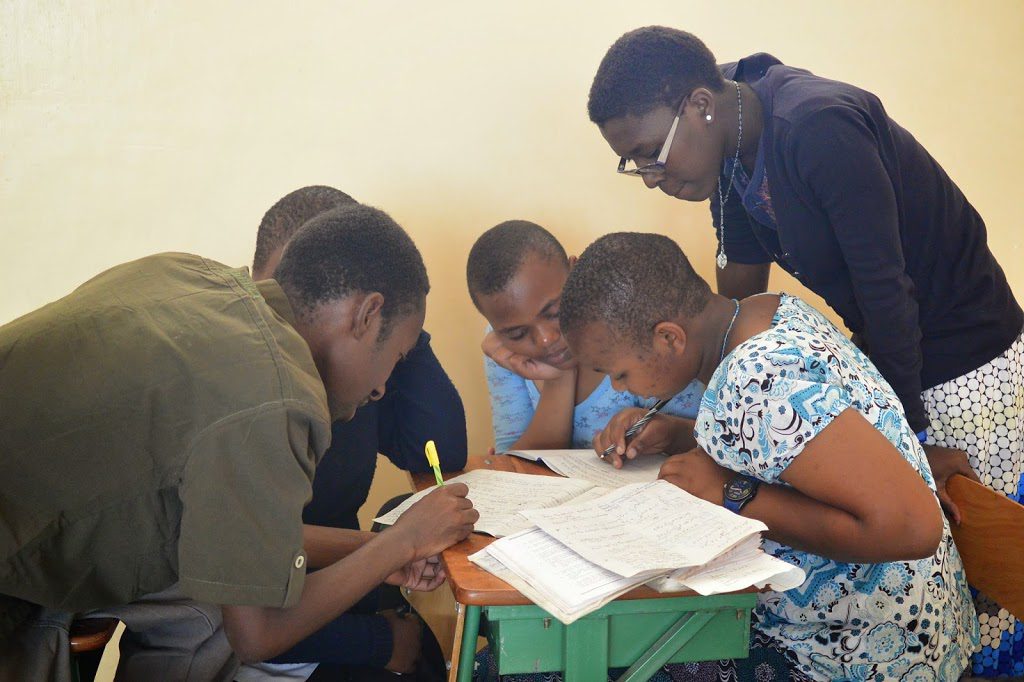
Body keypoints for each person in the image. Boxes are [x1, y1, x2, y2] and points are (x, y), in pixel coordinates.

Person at [587, 30, 1022, 675]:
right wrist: (703, 417)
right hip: (890, 353)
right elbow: (735, 292)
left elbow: (888, 295)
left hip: (963, 360)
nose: (652, 178)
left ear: (699, 105)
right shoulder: (729, 137)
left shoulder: (818, 129)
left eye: (652, 154)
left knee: (983, 578)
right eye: (635, 165)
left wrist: (909, 436)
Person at [0, 205, 479, 682]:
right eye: (396, 356)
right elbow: (257, 635)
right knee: (216, 617)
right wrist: (403, 541)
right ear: (368, 314)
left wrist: (377, 549)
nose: (380, 389)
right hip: (16, 582)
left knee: (206, 601)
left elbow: (238, 545)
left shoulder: (194, 278)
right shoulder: (278, 396)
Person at [555, 231, 979, 681]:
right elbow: (795, 445)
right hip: (924, 633)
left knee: (591, 661)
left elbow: (912, 528)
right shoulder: (765, 311)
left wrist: (729, 492)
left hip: (860, 656)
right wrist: (682, 436)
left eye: (618, 373)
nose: (618, 388)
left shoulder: (754, 376)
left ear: (669, 338)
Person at [245, 186, 467, 680]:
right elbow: (247, 616)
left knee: (439, 650)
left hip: (313, 590)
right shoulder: (250, 385)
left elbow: (440, 450)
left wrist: (399, 330)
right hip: (248, 634)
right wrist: (378, 640)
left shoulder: (349, 368)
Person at [466, 219, 702, 452]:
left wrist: (668, 430)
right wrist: (558, 378)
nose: (546, 339)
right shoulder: (503, 351)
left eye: (554, 312)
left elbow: (712, 432)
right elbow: (516, 460)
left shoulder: (626, 315)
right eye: (518, 333)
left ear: (574, 272)